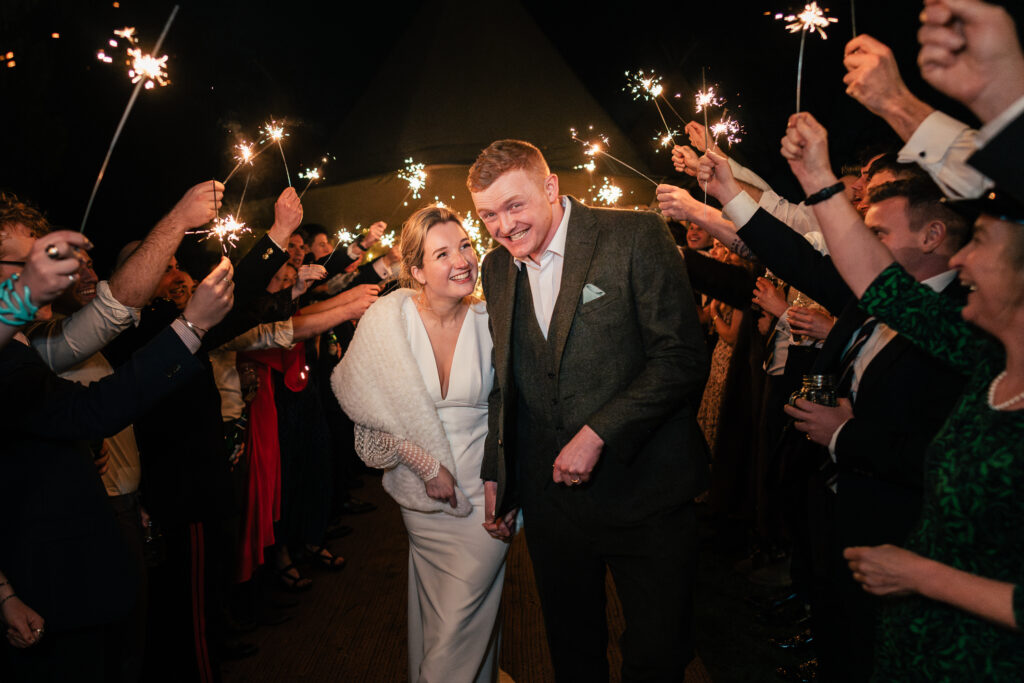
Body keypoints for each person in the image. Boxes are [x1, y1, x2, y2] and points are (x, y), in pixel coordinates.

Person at [779, 103, 1024, 679]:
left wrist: (920, 574)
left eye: (979, 243)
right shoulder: (981, 353)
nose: (959, 257)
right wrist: (816, 179)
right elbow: (880, 282)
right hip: (914, 647)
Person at [468, 139, 709, 681]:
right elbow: (505, 384)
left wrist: (600, 431)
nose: (502, 227)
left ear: (550, 188)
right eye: (488, 215)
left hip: (645, 492)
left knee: (656, 654)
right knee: (573, 653)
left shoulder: (634, 236)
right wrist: (498, 474)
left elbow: (681, 357)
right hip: (553, 507)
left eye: (514, 206)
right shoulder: (497, 269)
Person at [333, 205, 510, 683]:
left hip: (485, 497)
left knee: (459, 631)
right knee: (440, 618)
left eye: (466, 245)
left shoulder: (493, 317)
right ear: (415, 271)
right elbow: (365, 424)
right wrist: (425, 465)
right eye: (443, 253)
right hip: (424, 500)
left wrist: (510, 486)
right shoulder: (388, 323)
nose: (463, 260)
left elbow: (513, 411)